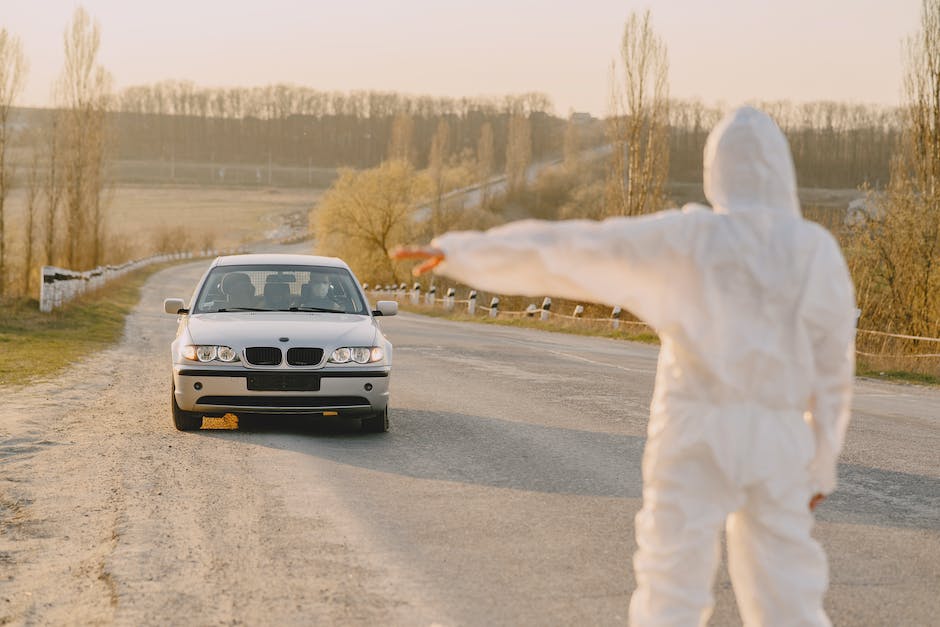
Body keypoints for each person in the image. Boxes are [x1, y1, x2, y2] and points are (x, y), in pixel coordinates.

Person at [393, 106, 855, 626]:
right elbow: (834, 369)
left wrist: (462, 253)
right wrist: (821, 461)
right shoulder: (814, 250)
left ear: (716, 169)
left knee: (670, 590)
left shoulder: (689, 238)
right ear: (781, 167)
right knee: (788, 596)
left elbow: (580, 247)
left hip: (694, 428)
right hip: (776, 437)